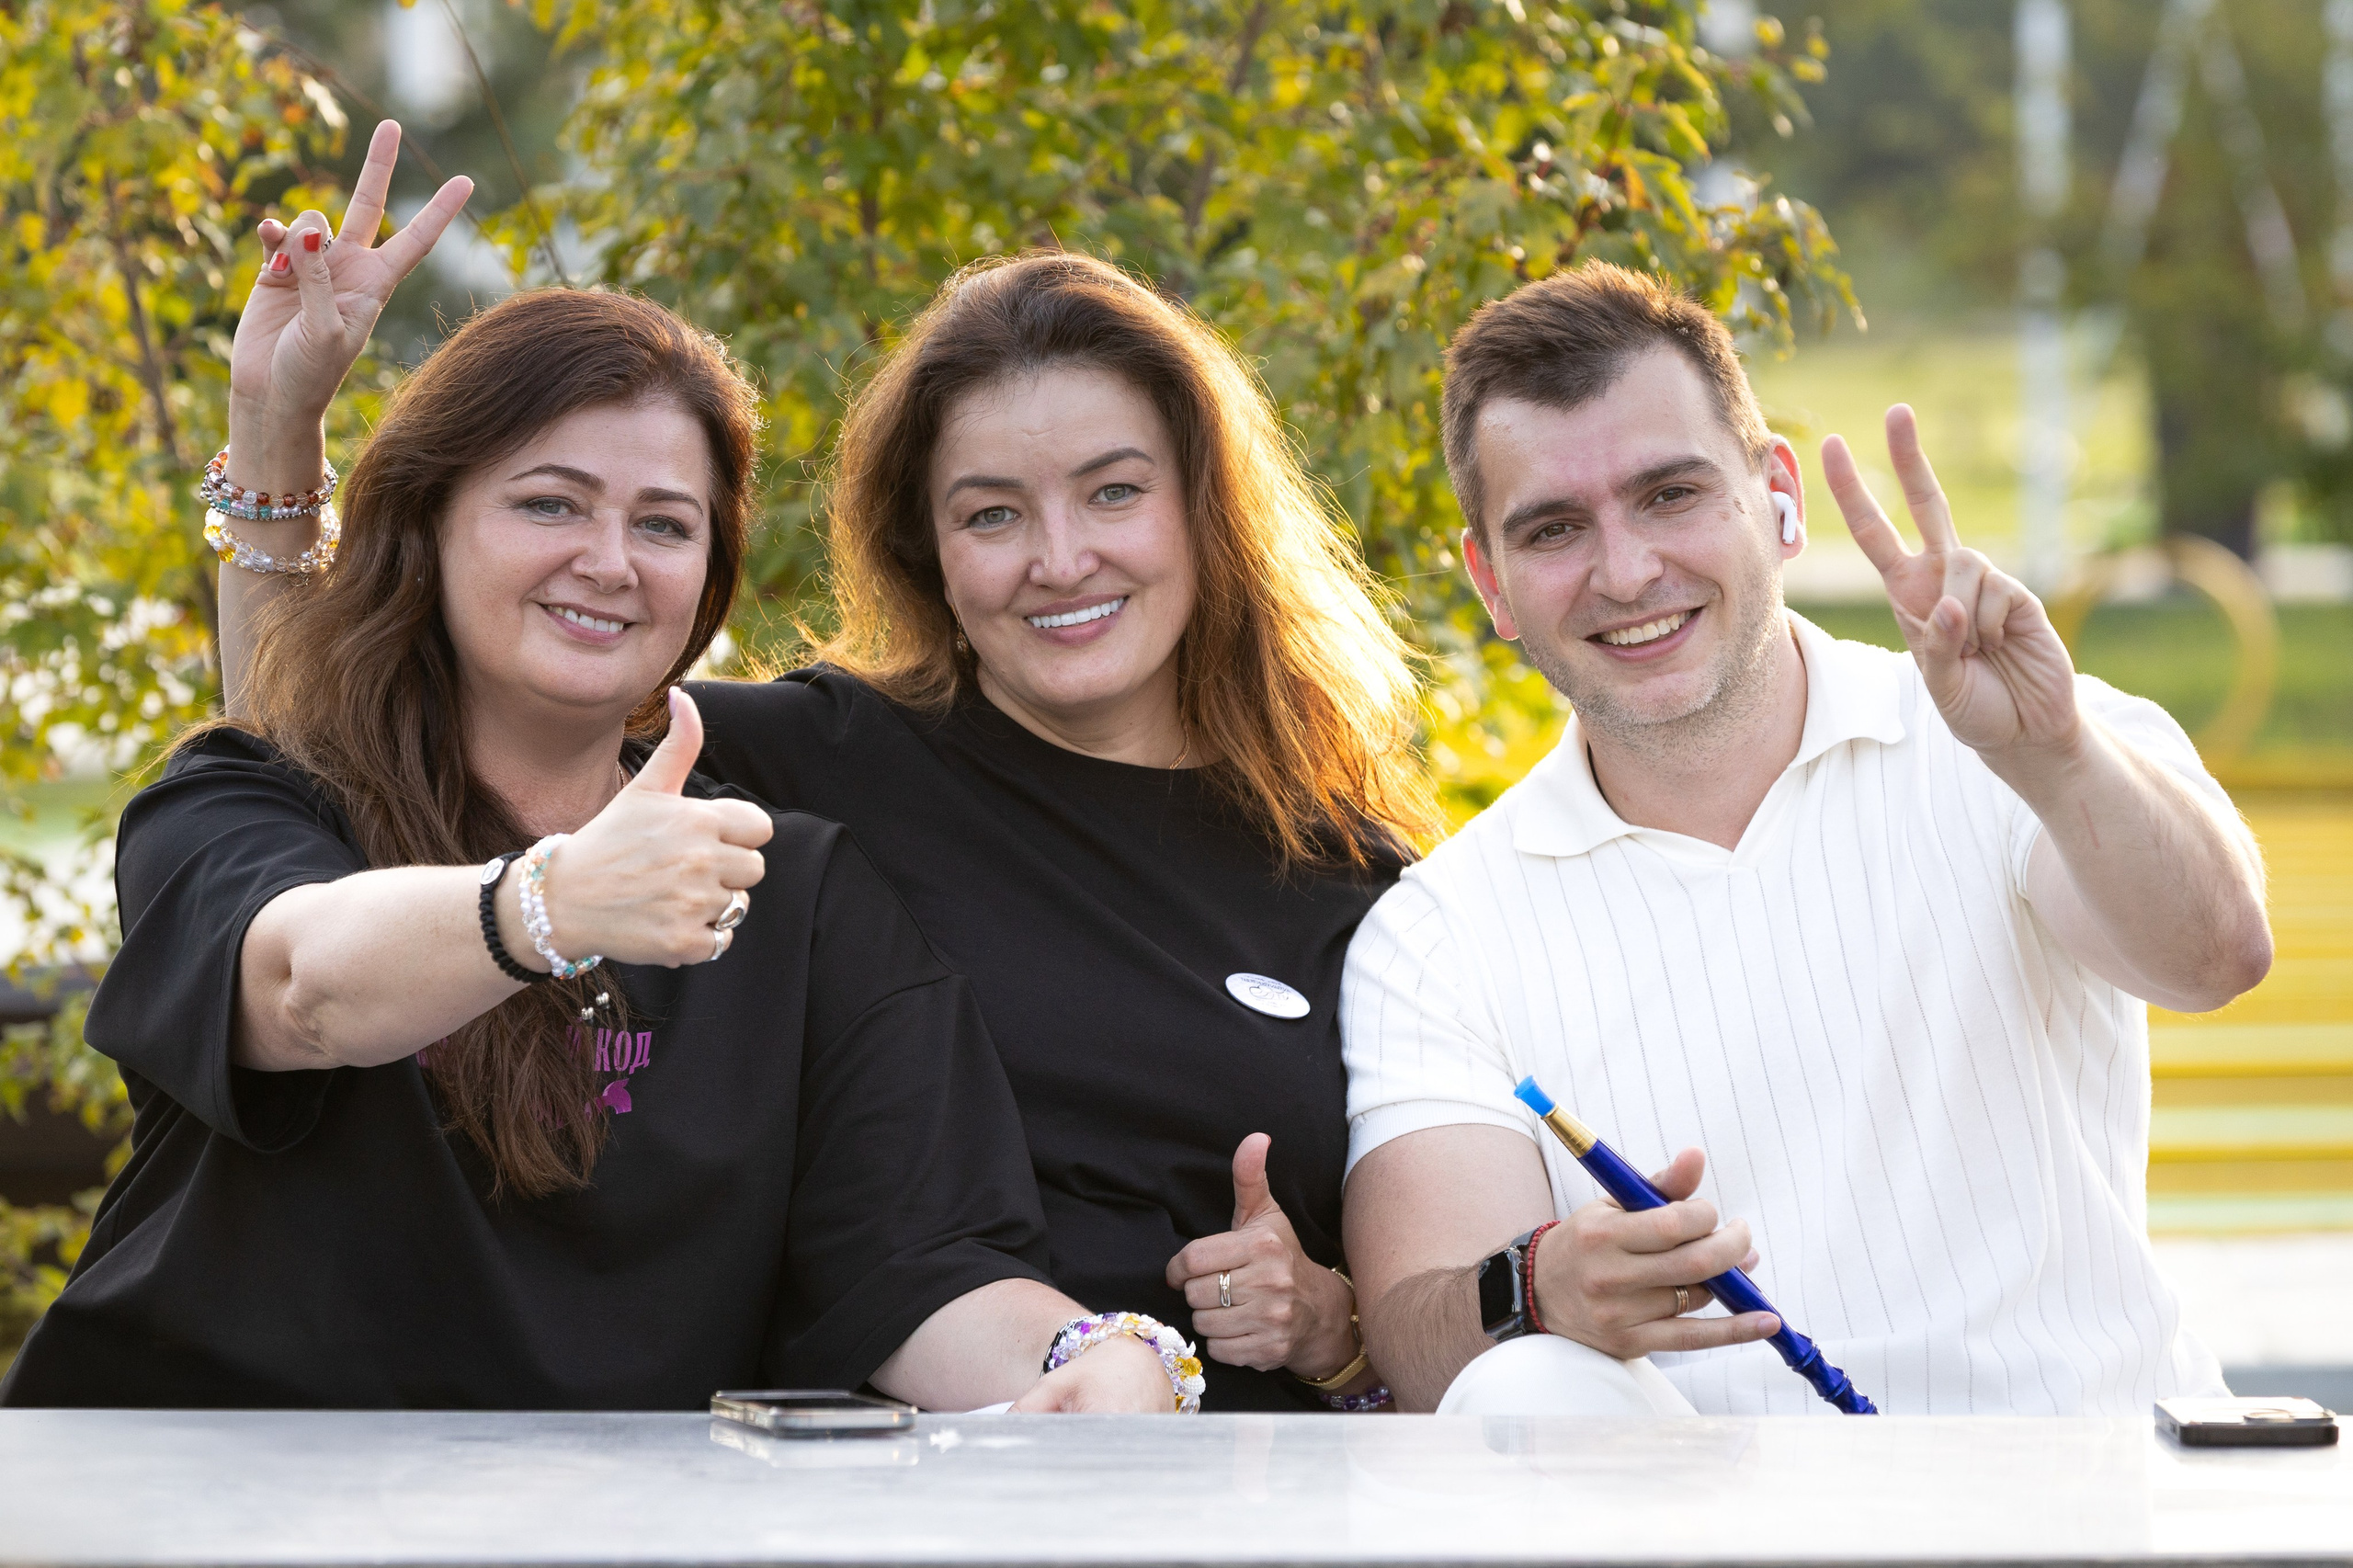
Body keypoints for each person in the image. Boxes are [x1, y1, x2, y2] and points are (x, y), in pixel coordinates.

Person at [223, 165, 1438, 1409]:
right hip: (916, 1456)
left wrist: (1333, 1328)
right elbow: (351, 760)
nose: (1060, 557)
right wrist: (276, 427)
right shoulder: (806, 762)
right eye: (991, 513)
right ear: (927, 548)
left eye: (1114, 491)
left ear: (1207, 512)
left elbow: (1434, 1302)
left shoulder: (1351, 879)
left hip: (1233, 1465)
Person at [1, 133, 1176, 1414]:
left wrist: (1091, 1361)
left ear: (710, 579)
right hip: (197, 1486)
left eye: (664, 524)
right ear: (429, 527)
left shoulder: (793, 893)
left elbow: (921, 1270)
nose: (610, 561)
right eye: (549, 504)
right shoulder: (250, 800)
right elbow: (302, 986)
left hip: (607, 1509)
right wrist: (547, 902)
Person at [1340, 262, 2273, 1417]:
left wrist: (2054, 756)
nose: (1626, 570)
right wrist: (1535, 1286)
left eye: (1670, 494)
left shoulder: (2026, 733)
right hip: (1702, 1509)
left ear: (1776, 495)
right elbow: (1419, 1335)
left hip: (2081, 1480)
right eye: (1554, 528)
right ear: (1490, 580)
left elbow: (2215, 957)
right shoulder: (1439, 933)